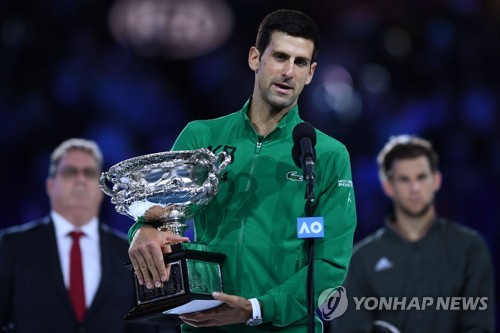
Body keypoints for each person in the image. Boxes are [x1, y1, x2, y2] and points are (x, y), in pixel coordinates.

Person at [127, 8, 357, 333]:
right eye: (279, 56)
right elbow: (158, 217)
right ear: (254, 58)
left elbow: (329, 262)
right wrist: (143, 232)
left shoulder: (328, 155)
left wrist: (256, 309)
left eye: (300, 62)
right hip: (205, 327)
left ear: (311, 73)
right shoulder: (201, 138)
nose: (288, 72)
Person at [0, 138, 185, 333]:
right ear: (50, 185)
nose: (80, 180)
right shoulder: (12, 247)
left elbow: (151, 327)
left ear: (101, 191)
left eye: (89, 173)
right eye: (70, 172)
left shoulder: (131, 251)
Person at [333, 134, 495, 333]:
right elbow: (349, 328)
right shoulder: (363, 258)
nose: (415, 188)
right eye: (404, 179)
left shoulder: (470, 248)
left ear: (436, 180)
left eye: (421, 177)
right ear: (388, 186)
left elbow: (479, 324)